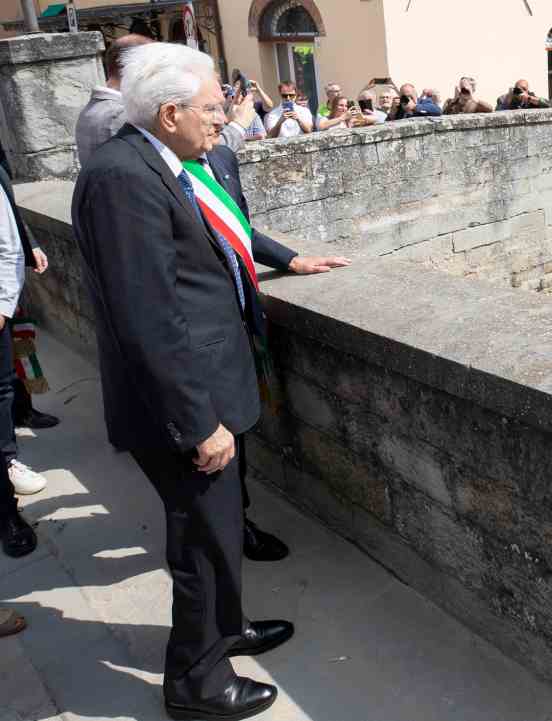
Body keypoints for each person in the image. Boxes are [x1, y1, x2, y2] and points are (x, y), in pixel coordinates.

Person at [71, 43, 292, 720]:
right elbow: (147, 316)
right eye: (210, 109)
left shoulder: (157, 161)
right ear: (169, 113)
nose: (223, 119)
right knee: (200, 541)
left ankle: (225, 632)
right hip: (183, 406)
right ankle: (197, 682)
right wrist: (198, 420)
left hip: (204, 388)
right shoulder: (122, 177)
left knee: (219, 531)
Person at [203, 106, 351, 562]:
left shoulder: (222, 160)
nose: (223, 120)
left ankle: (234, 522)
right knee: (210, 449)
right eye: (210, 108)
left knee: (235, 438)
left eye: (220, 108)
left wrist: (288, 259)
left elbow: (238, 230)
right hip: (200, 337)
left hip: (238, 323)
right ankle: (225, 540)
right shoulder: (154, 174)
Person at [77, 34, 255, 158]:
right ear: (134, 68)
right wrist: (239, 125)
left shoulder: (93, 109)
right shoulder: (121, 115)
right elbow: (194, 149)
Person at [0, 152, 49, 557]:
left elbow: (7, 203)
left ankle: (26, 407)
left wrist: (29, 242)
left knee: (22, 351)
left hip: (5, 290)